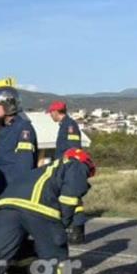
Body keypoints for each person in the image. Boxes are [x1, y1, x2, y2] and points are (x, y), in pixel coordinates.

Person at [48, 101, 87, 243]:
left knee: (71, 199)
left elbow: (73, 149)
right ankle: (75, 231)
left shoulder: (70, 125)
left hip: (70, 168)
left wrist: (66, 168)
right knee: (72, 201)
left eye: (51, 113)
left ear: (56, 112)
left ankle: (76, 231)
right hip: (66, 168)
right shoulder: (64, 125)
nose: (50, 115)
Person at [0, 86, 36, 196]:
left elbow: (24, 164)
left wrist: (17, 190)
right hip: (3, 188)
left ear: (8, 106)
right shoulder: (6, 128)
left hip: (14, 189)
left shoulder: (23, 128)